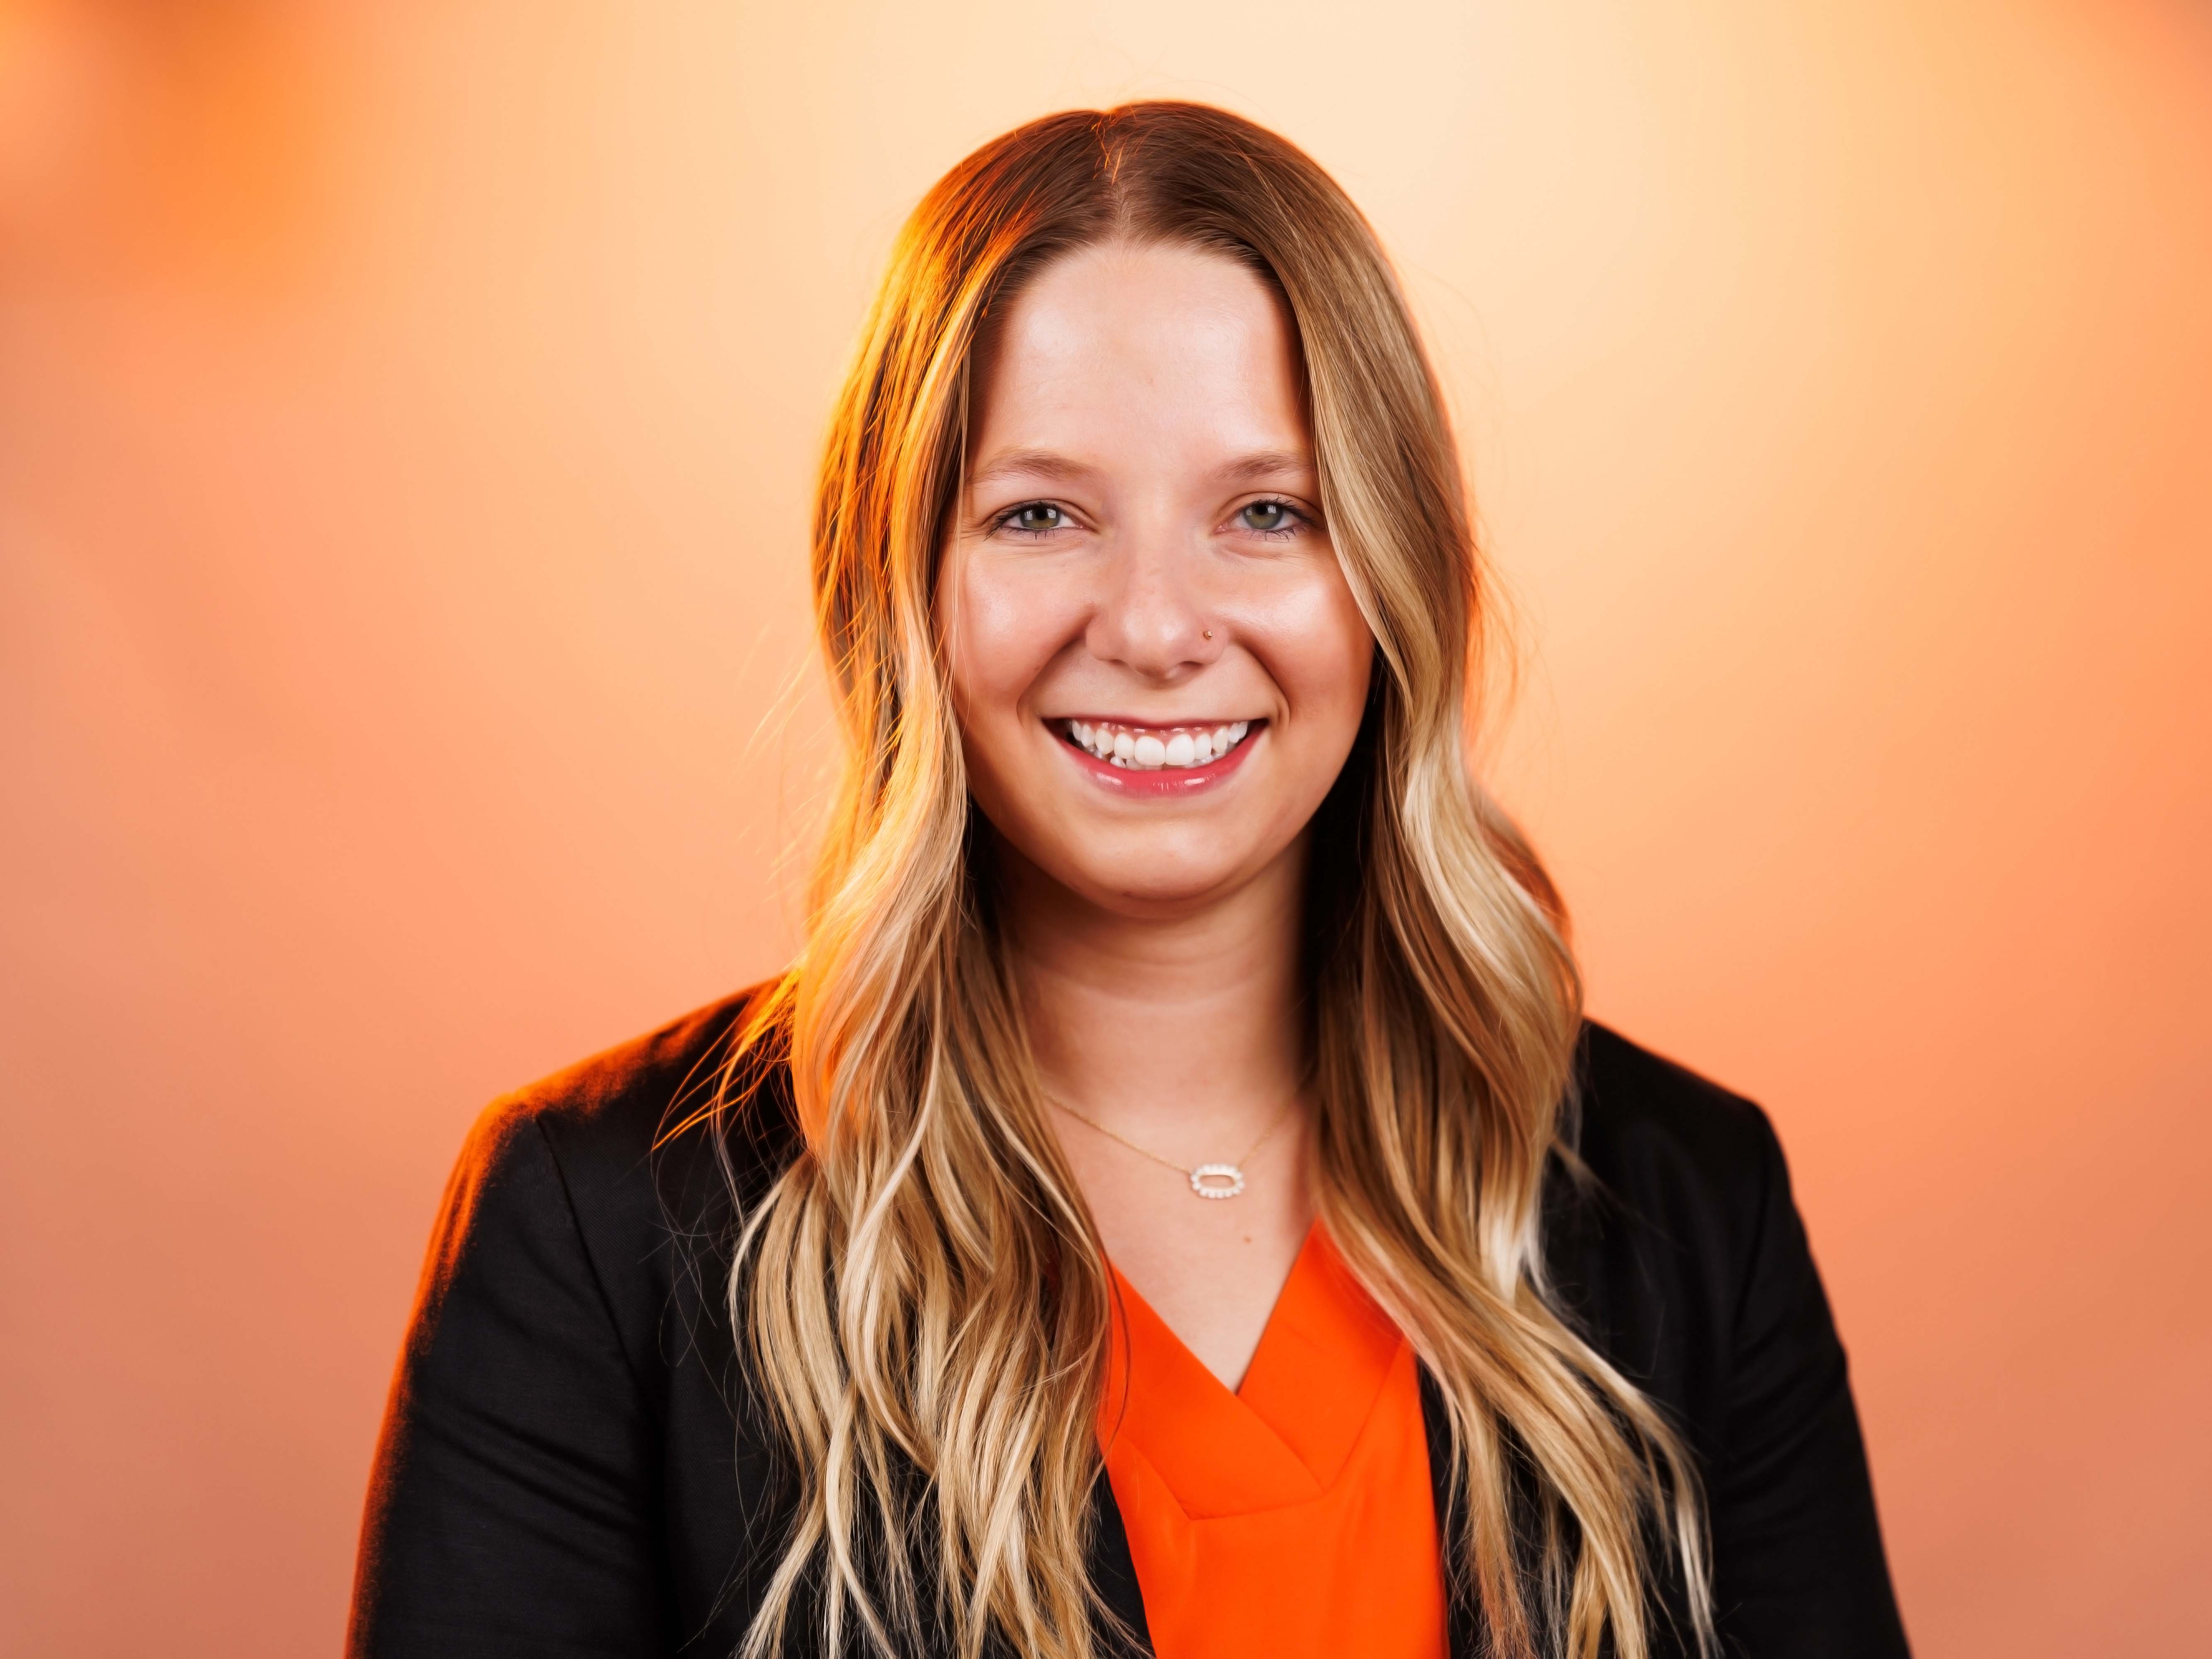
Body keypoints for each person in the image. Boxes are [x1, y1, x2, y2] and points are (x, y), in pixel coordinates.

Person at [348, 102, 1909, 1659]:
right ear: (899, 588)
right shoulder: (599, 1226)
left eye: (1267, 514)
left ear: (1391, 580)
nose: (1157, 629)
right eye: (1040, 514)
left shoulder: (1689, 1206)